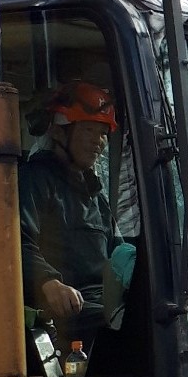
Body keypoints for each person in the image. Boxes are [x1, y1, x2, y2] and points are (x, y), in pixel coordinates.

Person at [19, 80, 123, 325]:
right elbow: (14, 241)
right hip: (65, 309)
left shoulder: (95, 196)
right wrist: (49, 282)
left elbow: (119, 255)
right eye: (88, 130)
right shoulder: (33, 180)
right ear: (58, 131)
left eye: (102, 134)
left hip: (102, 304)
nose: (98, 141)